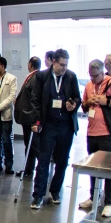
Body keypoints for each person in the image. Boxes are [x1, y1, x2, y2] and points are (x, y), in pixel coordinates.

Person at [28, 48, 81, 209]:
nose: (64, 68)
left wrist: (73, 104)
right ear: (54, 62)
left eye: (66, 65)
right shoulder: (42, 77)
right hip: (48, 124)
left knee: (62, 160)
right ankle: (38, 195)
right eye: (62, 65)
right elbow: (35, 99)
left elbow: (77, 97)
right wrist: (36, 121)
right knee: (43, 160)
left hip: (65, 124)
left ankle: (55, 191)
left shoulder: (71, 76)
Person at [75, 60, 111, 217]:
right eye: (90, 75)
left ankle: (109, 202)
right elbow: (84, 107)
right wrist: (88, 102)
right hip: (92, 133)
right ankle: (94, 197)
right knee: (93, 167)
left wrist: (107, 101)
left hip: (107, 134)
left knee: (108, 168)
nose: (92, 79)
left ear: (102, 72)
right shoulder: (89, 85)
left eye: (95, 76)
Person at [14, 56, 42, 180]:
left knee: (33, 145)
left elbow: (35, 98)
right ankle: (28, 168)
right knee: (28, 145)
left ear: (30, 64)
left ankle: (36, 169)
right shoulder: (31, 76)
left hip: (30, 117)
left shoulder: (36, 77)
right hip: (26, 117)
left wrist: (32, 116)